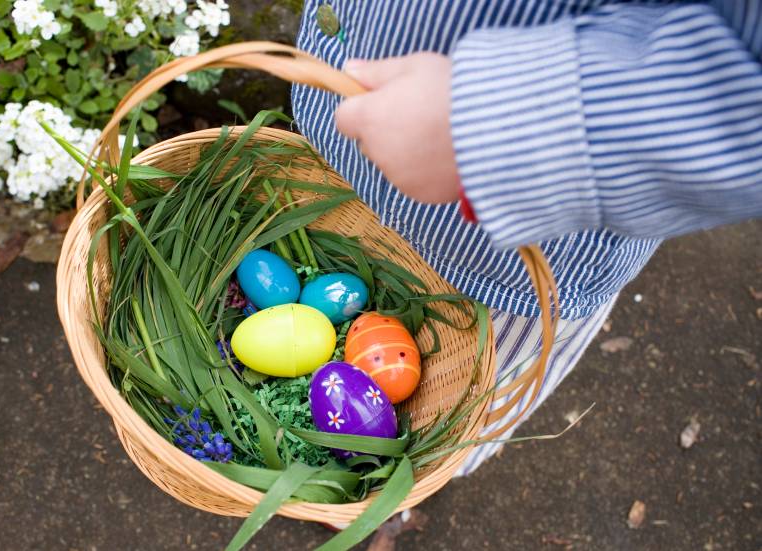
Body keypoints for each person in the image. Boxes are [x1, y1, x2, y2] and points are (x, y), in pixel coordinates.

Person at [292, 0, 762, 475]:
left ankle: (418, 476)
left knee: (466, 409)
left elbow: (743, 83)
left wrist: (487, 124)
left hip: (509, 252)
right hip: (343, 119)